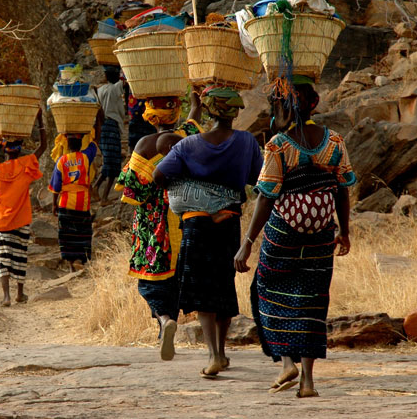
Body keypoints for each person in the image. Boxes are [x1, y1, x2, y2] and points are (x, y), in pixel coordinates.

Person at [234, 81, 356, 398]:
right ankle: (308, 383)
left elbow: (266, 197)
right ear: (314, 104)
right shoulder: (335, 142)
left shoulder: (279, 145)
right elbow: (342, 190)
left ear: (286, 108)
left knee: (267, 291)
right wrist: (344, 230)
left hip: (283, 235)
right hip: (321, 236)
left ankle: (287, 362)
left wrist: (248, 241)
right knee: (312, 304)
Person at [153, 89, 263, 377]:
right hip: (229, 222)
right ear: (235, 112)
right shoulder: (246, 142)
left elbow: (158, 176)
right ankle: (223, 353)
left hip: (195, 224)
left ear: (209, 112)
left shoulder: (188, 146)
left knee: (202, 290)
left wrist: (193, 184)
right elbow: (256, 179)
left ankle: (213, 355)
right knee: (222, 285)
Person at [115, 93, 203, 360]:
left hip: (154, 224)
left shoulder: (145, 145)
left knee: (150, 283)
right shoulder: (188, 138)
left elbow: (133, 193)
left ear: (150, 116)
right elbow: (193, 120)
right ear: (176, 112)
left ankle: (164, 321)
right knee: (176, 279)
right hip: (184, 218)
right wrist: (197, 102)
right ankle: (166, 330)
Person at [0, 111, 48, 307]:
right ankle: (20, 293)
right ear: (20, 150)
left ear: (5, 150)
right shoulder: (26, 165)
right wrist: (39, 119)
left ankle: (6, 296)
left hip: (2, 220)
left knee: (3, 256)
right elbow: (43, 145)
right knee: (20, 254)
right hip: (21, 218)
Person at [50, 120, 101, 271]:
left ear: (67, 145)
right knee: (82, 232)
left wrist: (54, 204)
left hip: (66, 203)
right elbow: (95, 142)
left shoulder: (61, 161)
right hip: (82, 203)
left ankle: (71, 263)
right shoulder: (85, 158)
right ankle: (80, 259)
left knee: (67, 234)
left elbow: (56, 185)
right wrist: (96, 123)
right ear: (80, 145)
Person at [93, 66, 127, 204]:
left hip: (103, 126)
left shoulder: (100, 90)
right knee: (113, 165)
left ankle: (97, 188)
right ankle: (103, 196)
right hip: (111, 127)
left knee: (110, 162)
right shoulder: (115, 88)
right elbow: (126, 80)